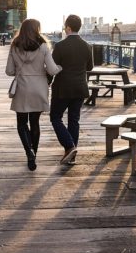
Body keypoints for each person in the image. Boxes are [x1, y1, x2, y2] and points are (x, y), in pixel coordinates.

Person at [5, 18, 61, 171]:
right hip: (39, 88)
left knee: (21, 123)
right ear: (37, 29)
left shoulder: (15, 46)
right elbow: (52, 69)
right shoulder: (43, 46)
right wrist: (59, 67)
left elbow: (9, 71)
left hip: (22, 88)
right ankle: (34, 154)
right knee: (34, 122)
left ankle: (28, 152)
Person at [50, 14, 93, 166]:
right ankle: (71, 156)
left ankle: (69, 146)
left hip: (62, 88)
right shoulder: (87, 46)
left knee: (55, 117)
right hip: (80, 88)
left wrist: (47, 82)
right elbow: (90, 68)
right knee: (74, 120)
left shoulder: (60, 46)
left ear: (68, 28)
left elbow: (53, 68)